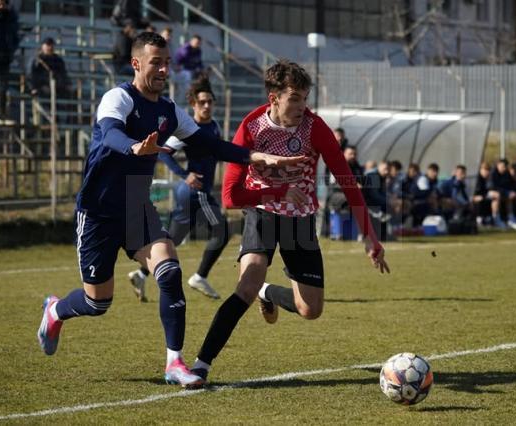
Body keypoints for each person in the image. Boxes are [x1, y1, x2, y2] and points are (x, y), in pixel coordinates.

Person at [36, 33, 303, 388]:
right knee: (97, 303)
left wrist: (255, 156)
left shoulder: (168, 110)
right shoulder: (118, 97)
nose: (163, 69)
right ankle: (55, 310)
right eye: (155, 63)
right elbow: (109, 132)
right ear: (136, 63)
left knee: (169, 268)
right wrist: (134, 148)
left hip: (136, 205)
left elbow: (208, 143)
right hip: (98, 211)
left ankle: (174, 363)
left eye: (166, 63)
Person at [187, 60, 390, 386]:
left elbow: (347, 180)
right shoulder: (252, 127)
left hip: (301, 220)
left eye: (305, 98)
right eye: (295, 98)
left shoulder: (315, 127)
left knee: (310, 309)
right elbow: (229, 196)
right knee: (247, 283)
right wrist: (279, 190)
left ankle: (268, 292)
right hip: (261, 210)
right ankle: (200, 365)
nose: (301, 106)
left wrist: (370, 236)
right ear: (274, 98)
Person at [128, 77, 228, 301]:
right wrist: (186, 175)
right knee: (222, 231)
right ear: (193, 105)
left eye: (210, 101)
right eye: (202, 102)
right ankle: (200, 276)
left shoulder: (214, 126)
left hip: (190, 194)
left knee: (171, 239)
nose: (207, 106)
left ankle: (141, 274)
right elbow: (163, 152)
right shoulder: (186, 129)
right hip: (196, 191)